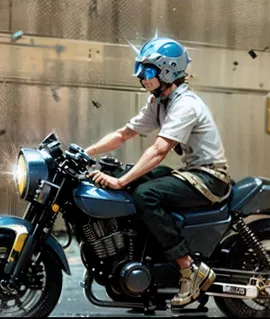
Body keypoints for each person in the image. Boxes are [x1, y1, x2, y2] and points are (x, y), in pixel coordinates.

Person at [85, 36, 232, 308]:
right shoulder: (160, 102)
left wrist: (120, 181)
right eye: (140, 70)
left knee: (144, 194)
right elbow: (124, 134)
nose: (141, 76)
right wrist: (87, 152)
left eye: (148, 70)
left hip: (210, 178)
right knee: (135, 181)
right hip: (194, 173)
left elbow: (158, 150)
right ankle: (143, 263)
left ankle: (189, 269)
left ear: (167, 71)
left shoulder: (185, 104)